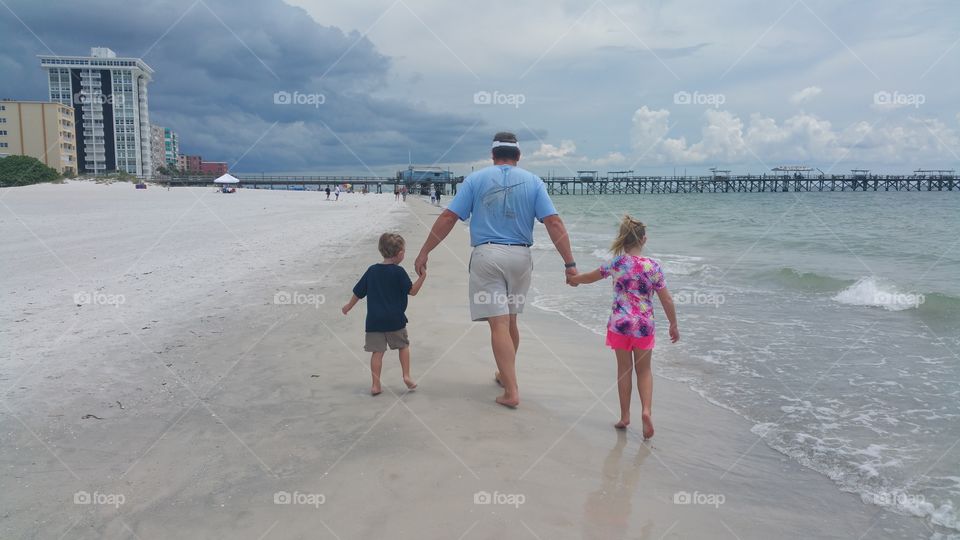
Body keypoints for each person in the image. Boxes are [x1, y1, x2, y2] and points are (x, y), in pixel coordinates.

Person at [414, 131, 576, 408]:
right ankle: (505, 373)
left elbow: (449, 217)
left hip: (488, 255)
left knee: (498, 324)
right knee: (511, 320)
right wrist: (570, 264)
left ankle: (512, 392)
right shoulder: (533, 181)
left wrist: (425, 250)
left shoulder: (475, 180)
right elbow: (554, 223)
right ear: (518, 156)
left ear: (492, 156)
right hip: (521, 257)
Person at [567, 216, 679, 438]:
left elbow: (590, 277)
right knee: (644, 371)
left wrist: (574, 280)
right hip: (644, 326)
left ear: (622, 239)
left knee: (624, 370)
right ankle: (646, 411)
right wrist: (673, 324)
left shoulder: (617, 263)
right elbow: (666, 299)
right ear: (644, 239)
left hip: (620, 324)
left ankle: (625, 416)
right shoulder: (653, 266)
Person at [342, 233, 426, 395]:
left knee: (377, 353)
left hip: (374, 321)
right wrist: (423, 276)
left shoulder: (372, 271)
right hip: (395, 320)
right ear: (400, 253)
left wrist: (348, 306)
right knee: (403, 347)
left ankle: (375, 385)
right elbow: (412, 291)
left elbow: (359, 292)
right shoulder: (399, 272)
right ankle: (406, 376)